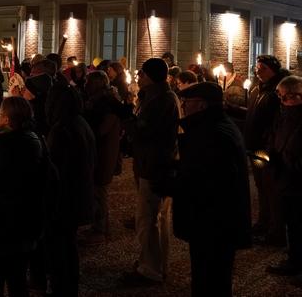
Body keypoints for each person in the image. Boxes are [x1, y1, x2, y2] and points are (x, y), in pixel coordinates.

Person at [160, 82, 251, 296]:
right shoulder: (214, 127)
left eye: (187, 103)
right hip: (214, 221)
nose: (183, 106)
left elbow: (207, 180)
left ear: (201, 105)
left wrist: (171, 185)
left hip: (213, 222)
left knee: (210, 278)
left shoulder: (212, 134)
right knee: (211, 275)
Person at [120, 57, 179, 287]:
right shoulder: (163, 97)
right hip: (161, 163)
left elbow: (145, 133)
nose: (138, 77)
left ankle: (150, 269)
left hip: (154, 165)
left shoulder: (159, 101)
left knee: (147, 218)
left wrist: (128, 119)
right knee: (160, 218)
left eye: (141, 74)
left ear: (150, 76)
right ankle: (158, 263)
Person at [0, 96, 46, 297]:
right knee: (18, 279)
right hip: (26, 219)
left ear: (7, 119)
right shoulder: (36, 140)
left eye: (0, 114)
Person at [46, 85, 96, 296]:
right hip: (78, 195)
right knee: (68, 245)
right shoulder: (80, 123)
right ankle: (69, 286)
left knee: (60, 248)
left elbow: (55, 167)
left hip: (64, 199)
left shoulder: (63, 128)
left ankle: (62, 288)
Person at [82, 71, 130, 244]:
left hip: (103, 153)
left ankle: (100, 230)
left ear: (97, 84)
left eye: (88, 81)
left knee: (99, 192)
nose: (85, 84)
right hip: (101, 151)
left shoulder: (108, 105)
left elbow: (103, 130)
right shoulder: (100, 102)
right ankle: (100, 227)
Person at [245, 54, 288, 246]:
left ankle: (275, 229)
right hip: (255, 147)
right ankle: (263, 222)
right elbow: (252, 116)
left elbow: (275, 122)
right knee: (261, 187)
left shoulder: (277, 92)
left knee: (271, 189)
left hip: (266, 149)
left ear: (273, 70)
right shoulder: (258, 89)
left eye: (262, 69)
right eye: (257, 68)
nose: (258, 72)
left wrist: (268, 142)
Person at [265, 75, 302, 278]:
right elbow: (275, 135)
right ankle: (294, 260)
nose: (281, 102)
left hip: (297, 182)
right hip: (285, 181)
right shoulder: (284, 115)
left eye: (284, 97)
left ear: (297, 96)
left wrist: (287, 160)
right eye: (280, 97)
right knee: (292, 225)